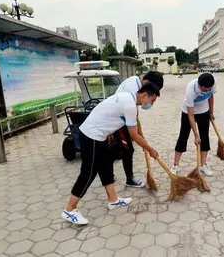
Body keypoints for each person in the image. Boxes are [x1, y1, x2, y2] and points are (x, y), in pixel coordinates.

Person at [61, 83, 160, 225]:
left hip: (99, 135)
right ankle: (69, 210)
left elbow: (107, 112)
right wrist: (150, 149)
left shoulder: (127, 96)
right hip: (92, 136)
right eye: (152, 100)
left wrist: (106, 131)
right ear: (145, 95)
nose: (151, 104)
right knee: (88, 173)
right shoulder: (130, 106)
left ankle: (113, 200)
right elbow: (134, 135)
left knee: (106, 165)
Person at [113, 71, 164, 188]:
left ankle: (107, 172)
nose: (152, 101)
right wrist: (146, 145)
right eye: (153, 98)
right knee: (127, 149)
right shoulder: (133, 90)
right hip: (119, 120)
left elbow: (135, 117)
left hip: (121, 117)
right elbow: (134, 121)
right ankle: (129, 179)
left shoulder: (135, 81)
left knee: (116, 147)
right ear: (148, 83)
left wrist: (142, 139)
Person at [172, 73, 216, 177]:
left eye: (209, 89)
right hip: (188, 112)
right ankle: (175, 165)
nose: (207, 91)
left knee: (205, 137)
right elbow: (191, 115)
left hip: (204, 111)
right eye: (205, 90)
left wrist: (211, 112)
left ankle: (203, 165)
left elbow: (211, 96)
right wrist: (196, 135)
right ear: (200, 86)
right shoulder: (191, 90)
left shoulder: (212, 84)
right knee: (183, 136)